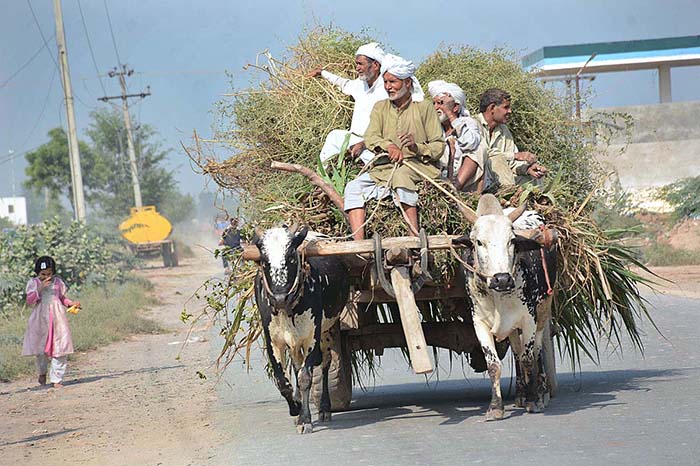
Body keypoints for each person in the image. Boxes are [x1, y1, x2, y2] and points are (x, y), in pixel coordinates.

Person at [344, 54, 444, 240]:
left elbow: (439, 146)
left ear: (407, 83)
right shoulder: (380, 107)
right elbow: (371, 136)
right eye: (385, 82)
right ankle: (359, 246)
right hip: (383, 169)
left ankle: (413, 239)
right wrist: (388, 146)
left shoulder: (425, 108)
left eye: (393, 82)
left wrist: (416, 148)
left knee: (401, 176)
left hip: (418, 168)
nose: (388, 86)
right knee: (353, 187)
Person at [309, 42, 388, 166]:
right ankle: (322, 178)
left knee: (376, 164)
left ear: (376, 65)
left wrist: (364, 144)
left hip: (376, 144)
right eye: (356, 64)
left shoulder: (387, 89)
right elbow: (343, 83)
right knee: (334, 136)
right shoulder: (360, 84)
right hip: (354, 138)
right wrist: (322, 73)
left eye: (360, 64)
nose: (357, 68)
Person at [21, 256, 79, 388]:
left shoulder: (58, 282)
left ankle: (56, 379)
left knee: (60, 347)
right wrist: (40, 288)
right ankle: (42, 372)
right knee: (41, 350)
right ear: (37, 273)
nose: (46, 276)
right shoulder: (34, 283)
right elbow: (30, 301)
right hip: (40, 319)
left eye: (49, 273)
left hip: (57, 318)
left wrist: (71, 303)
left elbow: (62, 298)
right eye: (43, 274)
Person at [475, 88, 547, 188]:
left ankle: (537, 199)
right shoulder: (473, 124)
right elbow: (484, 155)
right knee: (496, 158)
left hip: (499, 179)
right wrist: (515, 155)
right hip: (479, 179)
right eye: (506, 107)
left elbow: (512, 164)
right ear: (492, 108)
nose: (510, 111)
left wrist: (527, 169)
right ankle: (508, 195)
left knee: (532, 179)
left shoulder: (504, 130)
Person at [427, 80, 486, 192]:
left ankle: (453, 190)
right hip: (442, 178)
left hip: (466, 183)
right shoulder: (434, 127)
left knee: (479, 148)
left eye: (440, 104)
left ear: (455, 108)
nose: (436, 108)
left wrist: (450, 114)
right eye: (434, 104)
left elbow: (470, 143)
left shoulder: (468, 122)